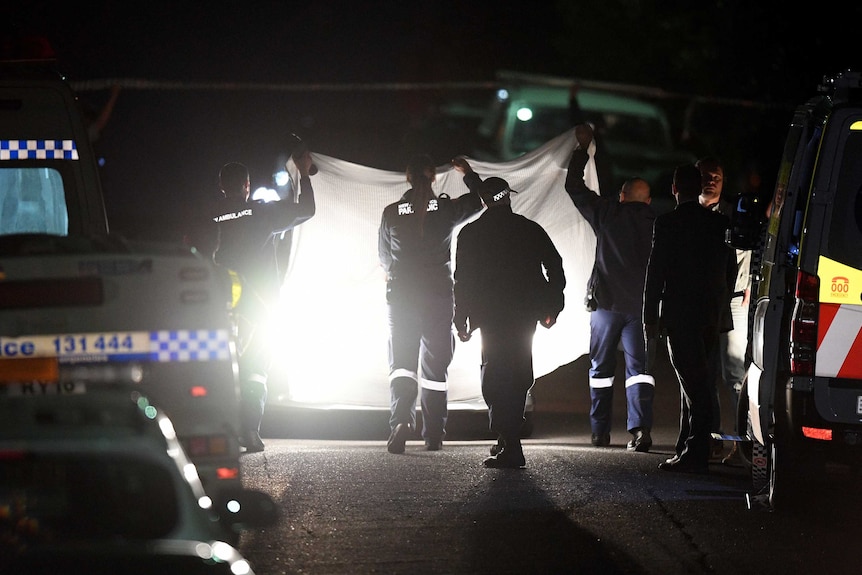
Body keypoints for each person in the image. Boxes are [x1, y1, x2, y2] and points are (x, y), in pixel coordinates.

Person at [452, 159, 566, 469]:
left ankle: (509, 442)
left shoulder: (472, 233)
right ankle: (508, 438)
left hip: (490, 316)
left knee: (495, 375)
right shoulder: (529, 229)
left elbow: (463, 279)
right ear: (509, 197)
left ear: (485, 201)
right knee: (518, 373)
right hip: (523, 314)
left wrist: (461, 316)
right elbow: (554, 268)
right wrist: (552, 307)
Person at [209, 152, 317, 452]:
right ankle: (251, 431)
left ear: (221, 186)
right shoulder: (261, 213)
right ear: (247, 185)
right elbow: (307, 210)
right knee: (256, 368)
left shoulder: (209, 216)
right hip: (260, 308)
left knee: (221, 369)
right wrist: (305, 175)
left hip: (219, 307)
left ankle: (225, 430)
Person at [378, 153, 483, 454]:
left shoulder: (392, 212)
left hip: (401, 296)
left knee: (401, 364)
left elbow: (385, 258)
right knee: (435, 367)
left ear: (408, 178)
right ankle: (434, 434)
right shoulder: (447, 208)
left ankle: (400, 421)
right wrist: (468, 172)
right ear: (433, 177)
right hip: (437, 295)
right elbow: (480, 199)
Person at [564, 123, 656, 452]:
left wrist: (581, 150)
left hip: (605, 305)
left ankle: (599, 432)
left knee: (600, 369)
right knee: (640, 371)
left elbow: (573, 186)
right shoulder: (657, 224)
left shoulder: (607, 212)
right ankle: (641, 431)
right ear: (647, 202)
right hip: (641, 309)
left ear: (622, 195)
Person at [643, 164, 736, 474]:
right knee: (701, 381)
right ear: (697, 188)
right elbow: (729, 270)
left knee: (692, 383)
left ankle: (694, 451)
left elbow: (655, 273)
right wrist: (721, 307)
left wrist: (650, 316)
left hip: (680, 313)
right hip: (710, 314)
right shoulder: (719, 223)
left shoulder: (667, 223)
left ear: (673, 189)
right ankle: (690, 446)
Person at [697, 156, 752, 466]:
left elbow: (751, 251)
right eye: (706, 175)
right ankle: (709, 440)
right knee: (702, 374)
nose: (711, 180)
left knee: (733, 372)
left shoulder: (733, 214)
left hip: (733, 300)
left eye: (717, 176)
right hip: (703, 299)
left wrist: (749, 289)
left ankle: (741, 444)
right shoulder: (690, 214)